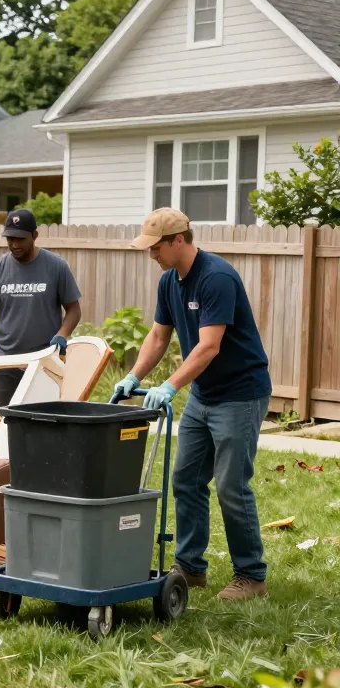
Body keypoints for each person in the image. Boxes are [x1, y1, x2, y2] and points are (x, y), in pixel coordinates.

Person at [115, 208, 272, 601]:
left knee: (232, 487)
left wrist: (168, 385)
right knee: (185, 480)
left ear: (178, 241)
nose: (151, 254)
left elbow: (209, 346)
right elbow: (157, 336)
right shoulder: (170, 281)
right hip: (204, 395)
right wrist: (134, 376)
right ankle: (191, 567)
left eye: (156, 247)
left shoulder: (216, 278)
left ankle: (251, 576)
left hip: (240, 393)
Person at [0, 208, 82, 411]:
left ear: (34, 235)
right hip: (6, 362)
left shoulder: (56, 267)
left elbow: (73, 309)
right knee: (2, 423)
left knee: (42, 424)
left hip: (45, 362)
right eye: (10, 238)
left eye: (20, 239)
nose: (14, 244)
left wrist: (62, 335)